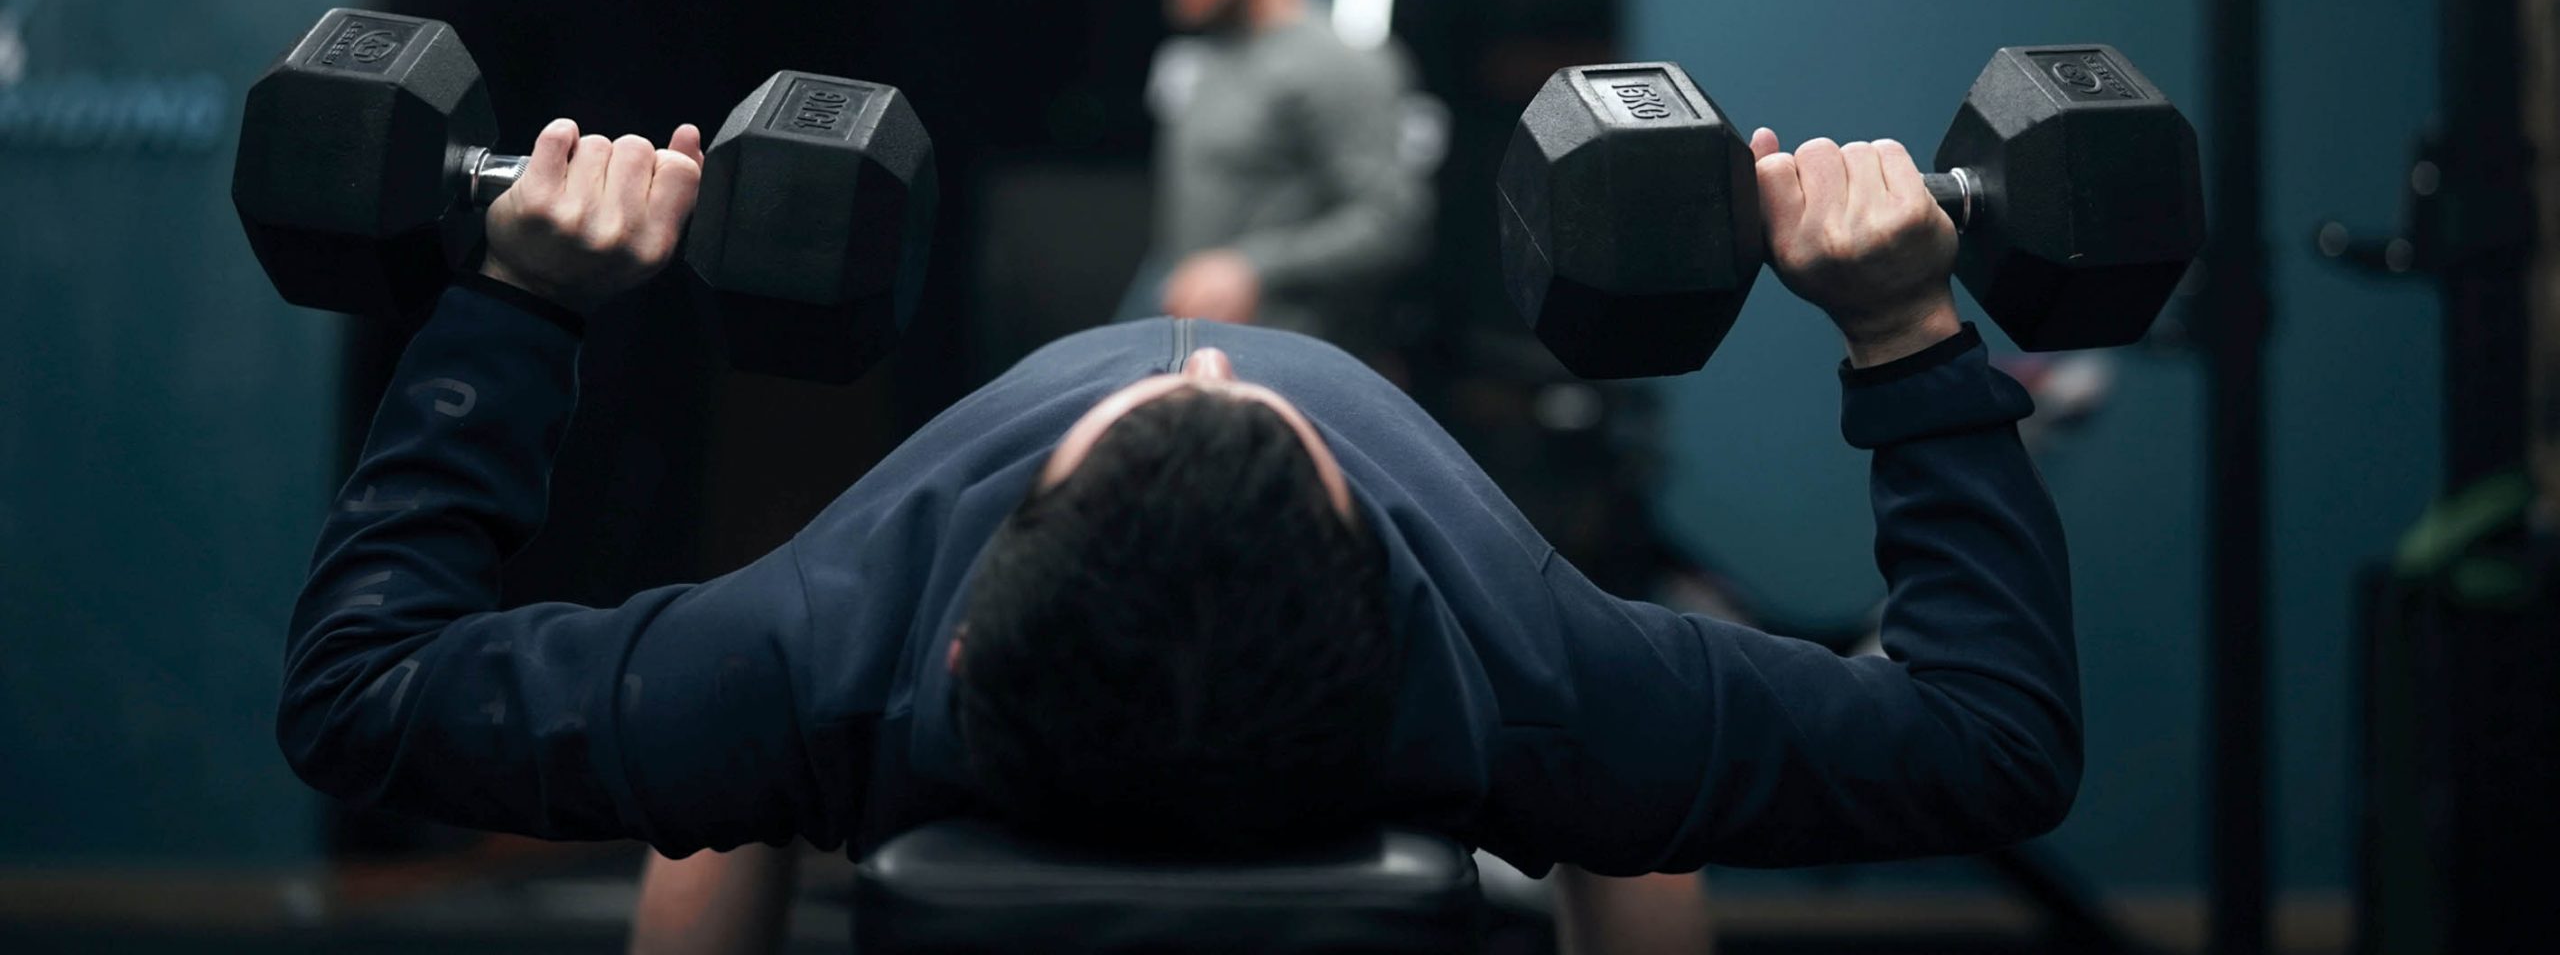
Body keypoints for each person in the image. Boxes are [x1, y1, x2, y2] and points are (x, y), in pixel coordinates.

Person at [277, 117, 2078, 954]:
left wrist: (520, 301)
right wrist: (1903, 328)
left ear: (967, 629)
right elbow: (1996, 739)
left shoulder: (823, 648)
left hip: (815, 711)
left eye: (1145, 416)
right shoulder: (1536, 674)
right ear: (1389, 611)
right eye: (1263, 419)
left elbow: (355, 694)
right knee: (1629, 778)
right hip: (1558, 731)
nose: (1200, 359)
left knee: (735, 754)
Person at [1128, 0, 1430, 347]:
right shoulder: (1210, 51)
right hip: (1196, 346)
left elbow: (1392, 222)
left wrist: (1254, 267)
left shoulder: (1335, 63)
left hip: (1290, 356)